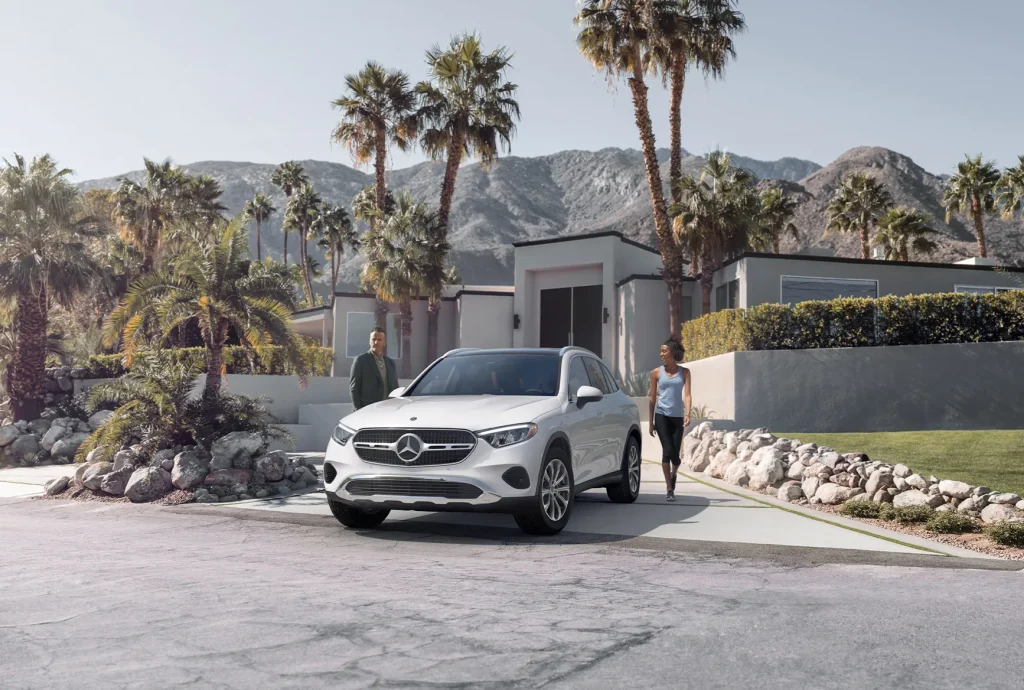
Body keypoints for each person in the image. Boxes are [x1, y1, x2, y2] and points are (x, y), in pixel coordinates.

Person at [648, 337, 691, 502]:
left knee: (675, 456)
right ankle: (669, 489)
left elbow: (687, 394)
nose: (661, 354)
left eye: (664, 351)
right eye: (661, 351)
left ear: (672, 353)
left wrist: (688, 413)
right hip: (661, 416)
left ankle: (674, 473)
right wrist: (651, 423)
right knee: (666, 451)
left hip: (677, 416)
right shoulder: (656, 373)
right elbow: (652, 399)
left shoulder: (685, 372)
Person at [349, 327, 398, 410]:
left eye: (379, 340)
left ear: (384, 342)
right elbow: (354, 389)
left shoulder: (390, 363)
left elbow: (395, 388)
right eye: (374, 339)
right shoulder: (361, 361)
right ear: (369, 341)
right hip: (368, 410)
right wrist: (358, 410)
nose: (376, 342)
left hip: (388, 410)